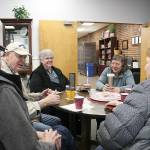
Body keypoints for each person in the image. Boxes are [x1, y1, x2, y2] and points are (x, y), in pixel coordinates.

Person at [1, 42, 75, 150]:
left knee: (60, 122)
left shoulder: (13, 74)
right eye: (19, 56)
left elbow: (25, 97)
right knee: (60, 131)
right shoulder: (6, 84)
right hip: (32, 118)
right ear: (6, 55)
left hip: (35, 113)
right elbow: (20, 114)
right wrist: (45, 101)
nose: (23, 60)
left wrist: (41, 95)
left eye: (24, 57)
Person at [96, 48, 150, 150]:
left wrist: (119, 89)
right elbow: (98, 82)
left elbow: (132, 85)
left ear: (123, 65)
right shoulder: (107, 70)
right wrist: (103, 87)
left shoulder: (127, 73)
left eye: (117, 64)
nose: (114, 66)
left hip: (120, 103)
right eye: (112, 63)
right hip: (107, 100)